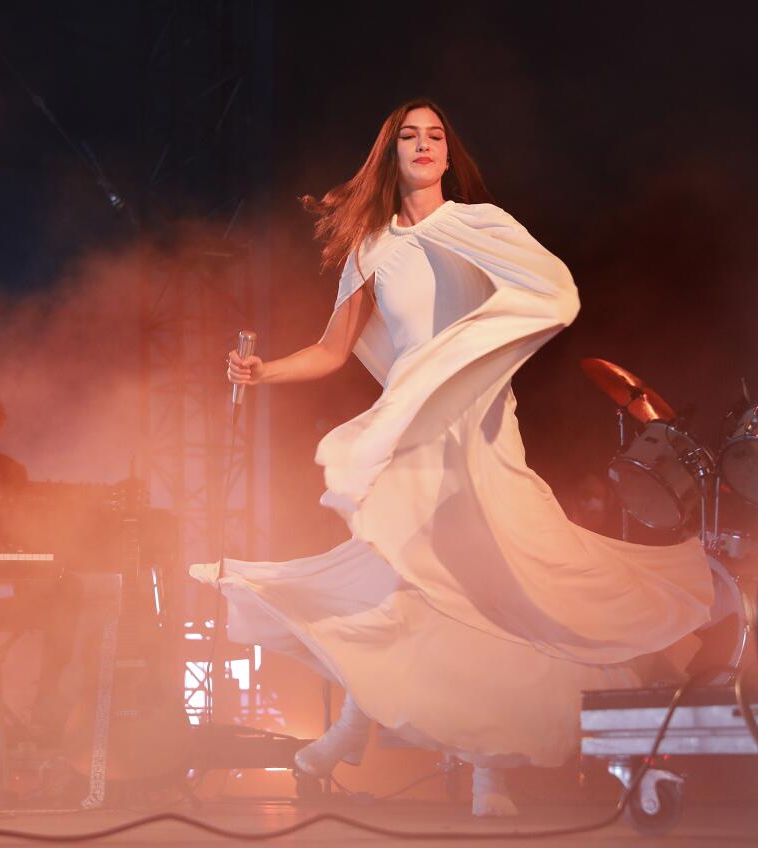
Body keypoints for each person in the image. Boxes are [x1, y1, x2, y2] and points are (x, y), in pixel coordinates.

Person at [197, 98, 713, 817]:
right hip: (413, 436)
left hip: (483, 432)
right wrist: (265, 373)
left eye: (434, 134)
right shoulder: (370, 248)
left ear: (448, 150)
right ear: (391, 153)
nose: (423, 144)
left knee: (504, 580)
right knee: (414, 588)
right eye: (409, 135)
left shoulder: (482, 227)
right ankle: (471, 770)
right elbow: (333, 349)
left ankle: (353, 740)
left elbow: (551, 291)